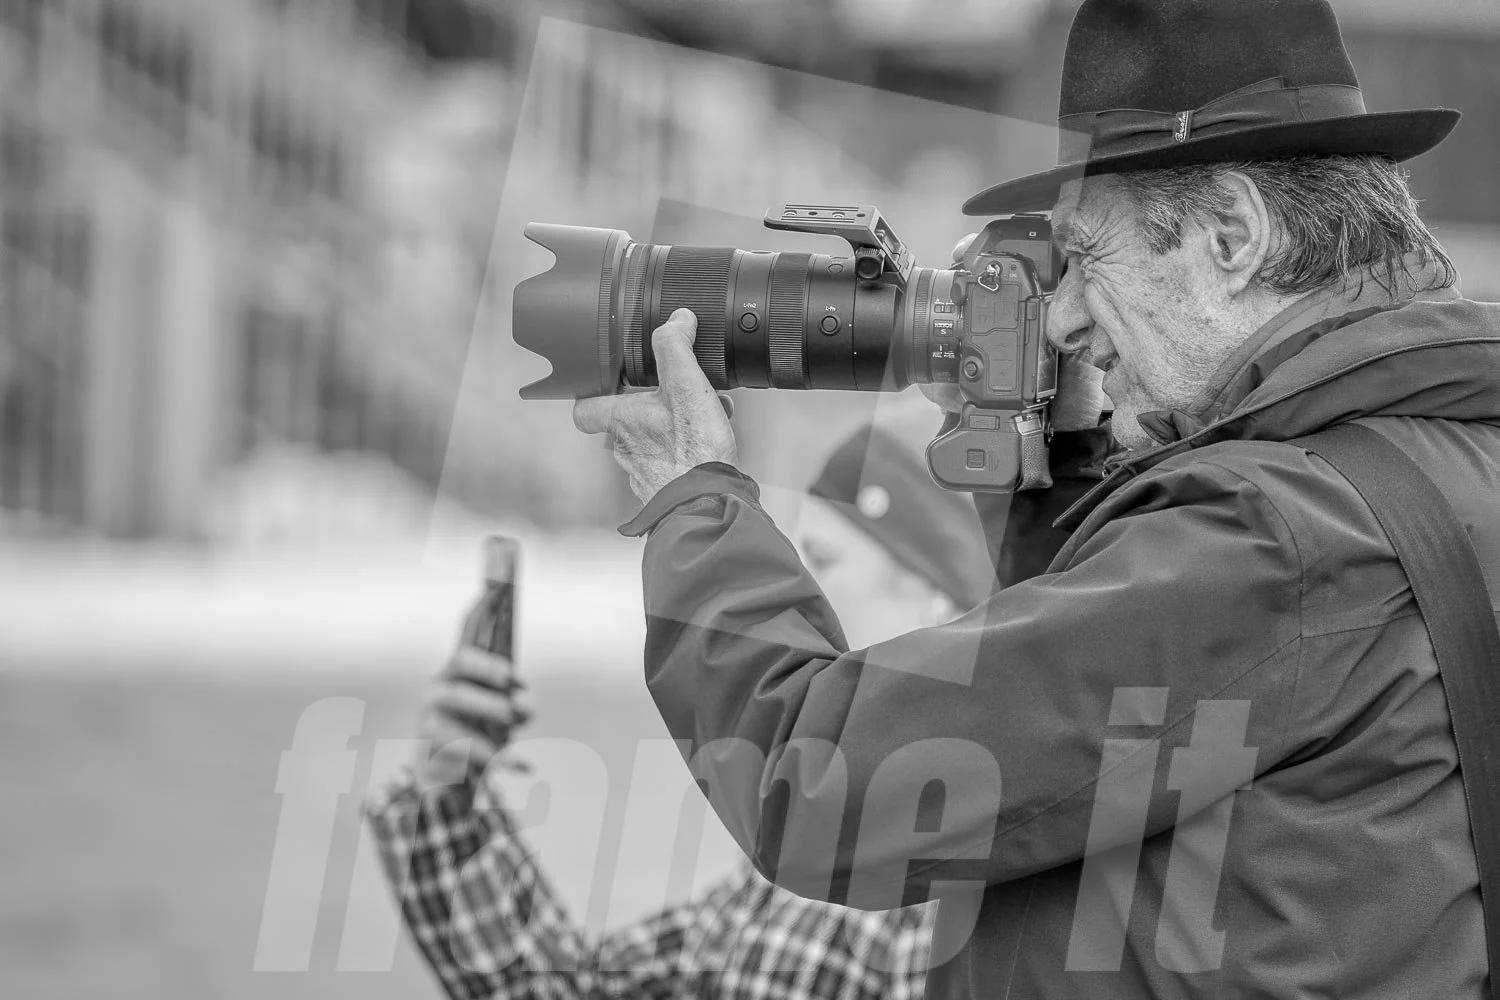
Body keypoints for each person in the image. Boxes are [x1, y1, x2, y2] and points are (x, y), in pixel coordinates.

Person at [568, 1, 1499, 997]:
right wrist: (1062, 459)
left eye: (1088, 259)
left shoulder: (1272, 542)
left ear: (1232, 234)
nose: (1059, 318)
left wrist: (695, 498)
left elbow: (820, 782)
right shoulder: (1439, 454)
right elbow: (1140, 727)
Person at [365, 421, 1077, 999]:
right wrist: (446, 797)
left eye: (820, 564)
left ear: (935, 597)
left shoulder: (928, 861)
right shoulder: (828, 845)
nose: (798, 593)